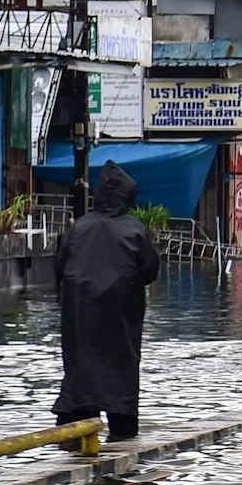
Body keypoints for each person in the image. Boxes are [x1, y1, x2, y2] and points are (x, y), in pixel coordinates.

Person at [53, 162, 159, 441]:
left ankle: (76, 421)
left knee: (80, 365)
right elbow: (150, 270)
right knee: (120, 367)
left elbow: (60, 266)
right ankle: (121, 422)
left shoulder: (79, 229)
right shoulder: (135, 231)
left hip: (80, 311)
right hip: (121, 313)